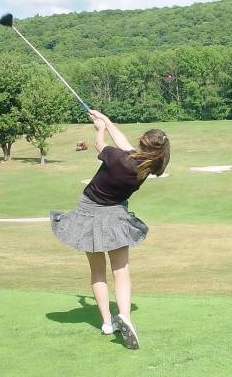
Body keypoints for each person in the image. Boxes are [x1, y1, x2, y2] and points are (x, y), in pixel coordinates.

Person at [51, 109, 170, 349]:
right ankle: (125, 315)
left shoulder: (116, 157)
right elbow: (125, 147)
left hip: (88, 213)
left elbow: (99, 145)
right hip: (115, 216)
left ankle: (107, 323)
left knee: (97, 272)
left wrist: (100, 129)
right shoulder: (144, 168)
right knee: (121, 271)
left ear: (142, 144)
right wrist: (105, 119)